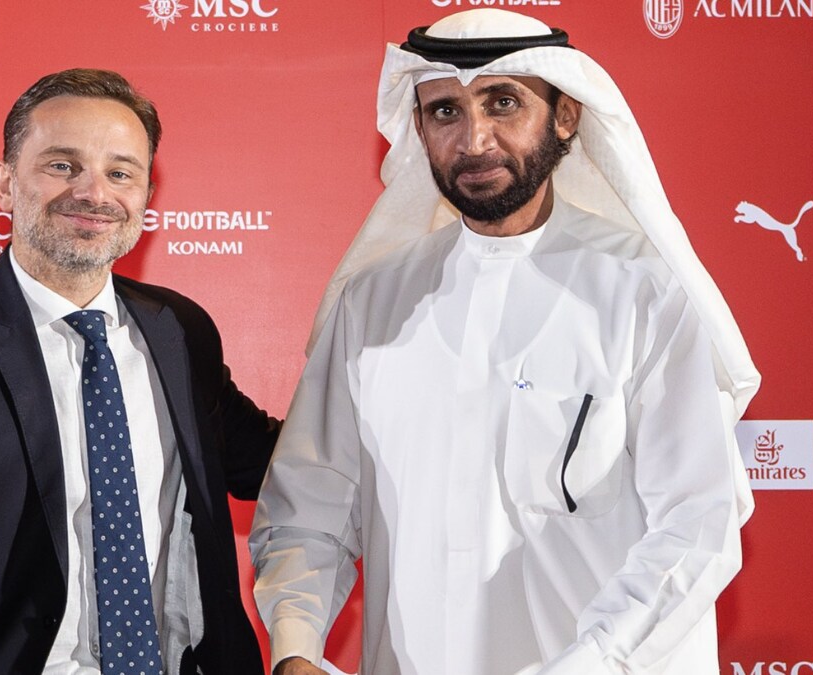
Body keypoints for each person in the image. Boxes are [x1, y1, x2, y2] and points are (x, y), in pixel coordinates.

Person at [251, 9, 758, 675]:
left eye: (503, 103)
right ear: (420, 128)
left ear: (566, 115)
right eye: (445, 112)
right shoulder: (370, 304)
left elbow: (695, 527)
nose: (474, 139)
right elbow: (307, 510)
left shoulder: (644, 293)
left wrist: (587, 663)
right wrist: (294, 647)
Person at [0, 68, 280, 675]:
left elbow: (274, 463)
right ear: (5, 183)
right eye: (62, 165)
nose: (94, 193)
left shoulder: (181, 330)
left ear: (146, 196)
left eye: (120, 173)